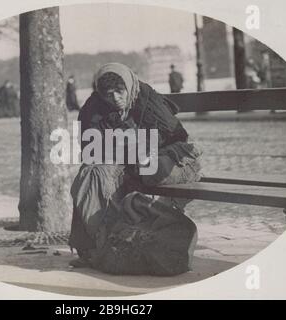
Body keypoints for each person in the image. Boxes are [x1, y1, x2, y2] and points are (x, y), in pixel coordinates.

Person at [68, 63, 202, 276]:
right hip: (121, 158)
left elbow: (175, 137)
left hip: (164, 155)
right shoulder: (93, 108)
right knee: (90, 174)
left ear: (129, 87)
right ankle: (94, 246)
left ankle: (112, 244)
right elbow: (90, 149)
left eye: (120, 91)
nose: (116, 98)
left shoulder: (146, 99)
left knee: (148, 166)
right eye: (108, 94)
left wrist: (133, 143)